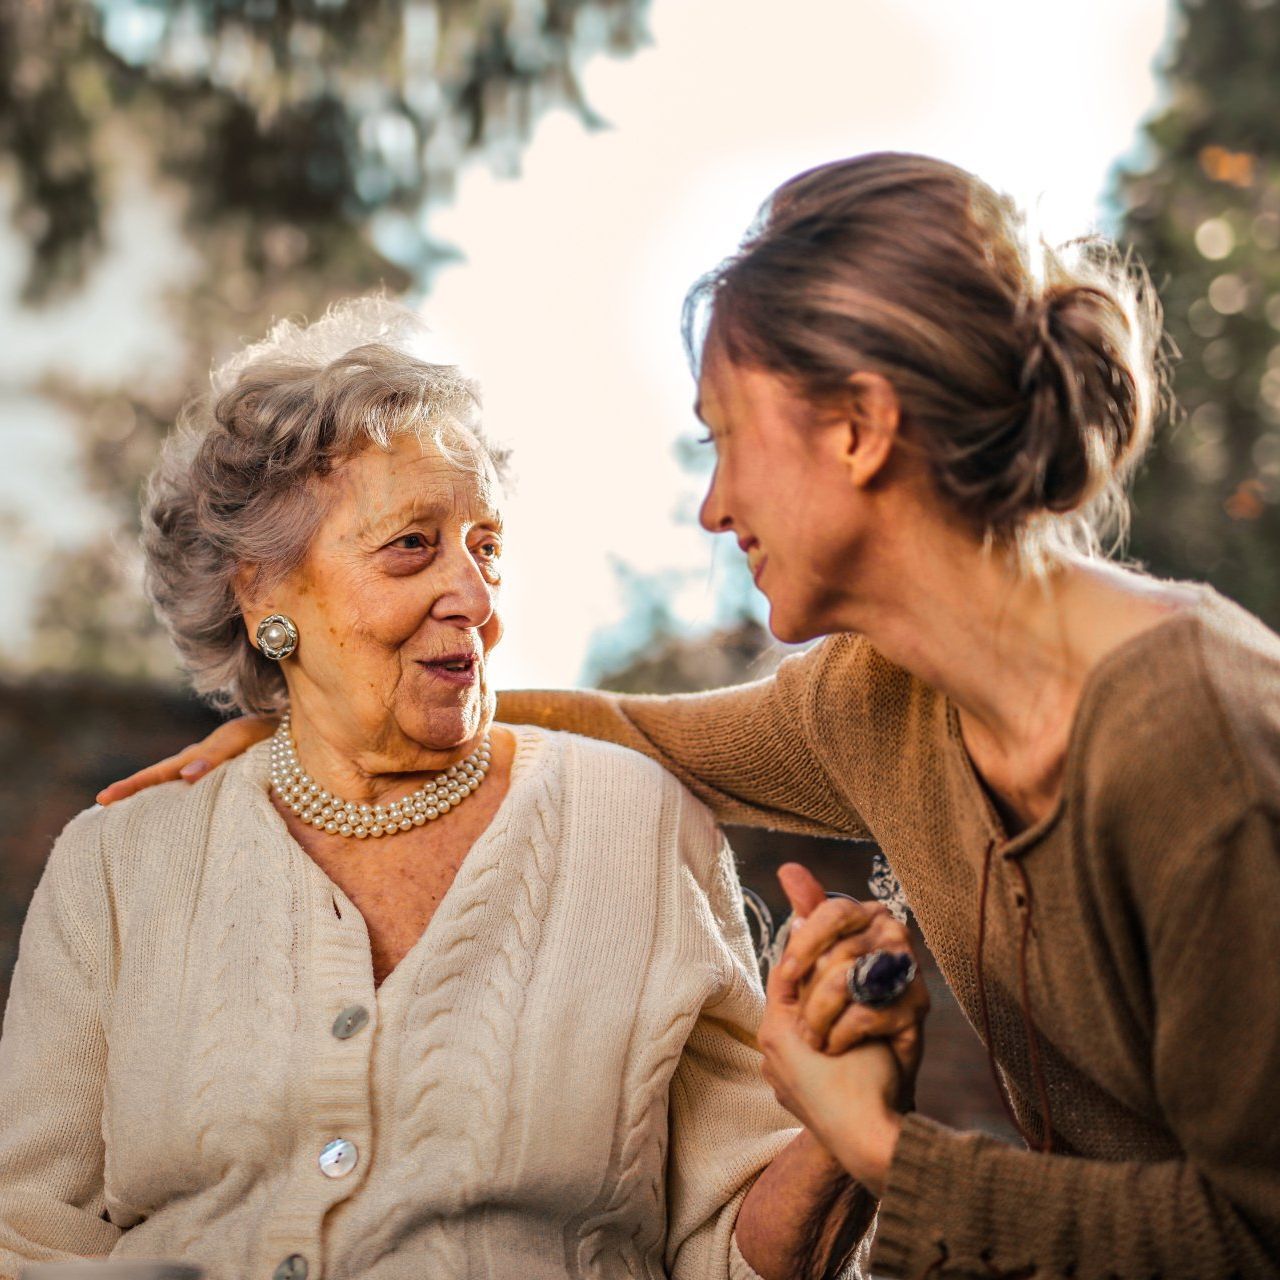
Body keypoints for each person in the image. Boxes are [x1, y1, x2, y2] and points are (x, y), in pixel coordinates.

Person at [104, 153, 1280, 1278]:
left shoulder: (1195, 740)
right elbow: (635, 730)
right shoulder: (877, 700)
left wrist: (882, 1152)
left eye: (725, 438)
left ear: (859, 428)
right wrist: (323, 715)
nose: (713, 506)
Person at [0, 298, 891, 1280]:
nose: (473, 597)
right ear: (263, 595)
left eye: (487, 547)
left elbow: (732, 1251)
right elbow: (27, 1232)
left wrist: (837, 1131)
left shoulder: (636, 825)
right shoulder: (120, 861)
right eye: (411, 546)